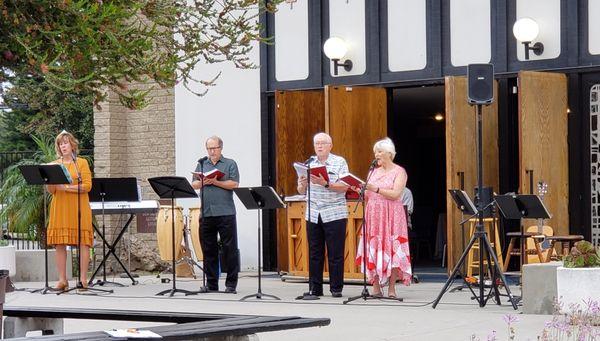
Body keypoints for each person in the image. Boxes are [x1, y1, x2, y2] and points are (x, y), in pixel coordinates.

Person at [355, 137, 412, 298]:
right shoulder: (372, 171)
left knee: (392, 248)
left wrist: (376, 189)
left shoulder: (399, 171)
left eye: (379, 152)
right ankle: (375, 286)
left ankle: (392, 288)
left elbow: (395, 194)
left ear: (389, 153)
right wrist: (360, 190)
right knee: (374, 247)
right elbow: (368, 195)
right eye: (375, 152)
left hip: (392, 214)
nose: (376, 155)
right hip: (374, 214)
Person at [297, 132, 349, 298]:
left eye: (322, 143)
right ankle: (315, 288)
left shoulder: (339, 162)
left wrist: (325, 183)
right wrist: (302, 184)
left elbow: (345, 186)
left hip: (334, 212)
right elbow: (300, 191)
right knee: (314, 252)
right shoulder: (308, 163)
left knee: (335, 252)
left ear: (330, 146)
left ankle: (336, 288)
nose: (319, 146)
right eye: (316, 143)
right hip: (313, 213)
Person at [191, 136, 240, 294]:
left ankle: (231, 284)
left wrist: (216, 182)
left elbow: (234, 184)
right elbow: (194, 184)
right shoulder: (202, 163)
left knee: (229, 249)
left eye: (214, 148)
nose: (211, 152)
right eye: (209, 148)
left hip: (225, 212)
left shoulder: (229, 164)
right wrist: (204, 181)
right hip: (206, 213)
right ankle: (211, 284)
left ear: (221, 148)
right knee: (208, 249)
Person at [46, 131, 93, 291]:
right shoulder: (53, 164)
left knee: (83, 242)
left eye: (66, 142)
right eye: (60, 143)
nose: (63, 146)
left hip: (79, 206)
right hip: (60, 206)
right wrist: (49, 181)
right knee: (60, 243)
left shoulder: (81, 163)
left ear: (72, 144)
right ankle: (62, 280)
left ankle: (83, 280)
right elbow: (52, 191)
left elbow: (87, 186)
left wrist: (66, 188)